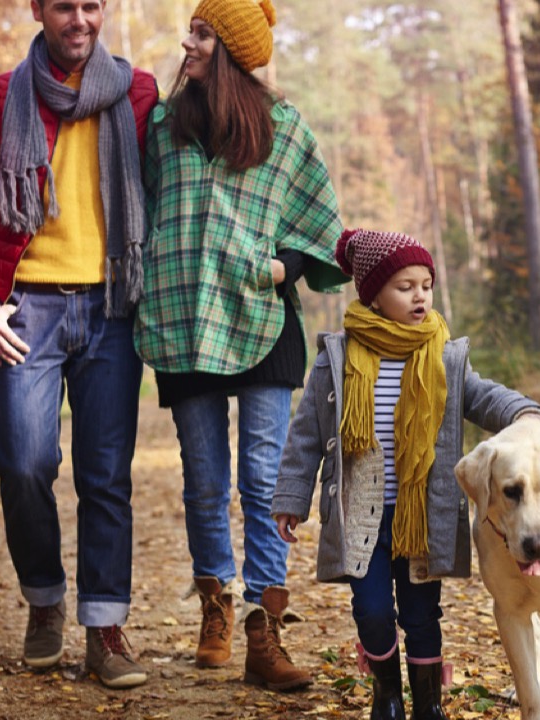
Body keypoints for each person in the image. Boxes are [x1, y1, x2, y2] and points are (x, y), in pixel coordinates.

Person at [132, 0, 349, 692]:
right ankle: (215, 606)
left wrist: (282, 265)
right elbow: (138, 208)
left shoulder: (282, 128)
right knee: (204, 481)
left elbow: (321, 222)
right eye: (192, 29)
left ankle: (264, 626)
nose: (186, 42)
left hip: (261, 322)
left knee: (262, 477)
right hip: (182, 318)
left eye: (200, 33)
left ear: (227, 50)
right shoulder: (163, 126)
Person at [0, 0, 158, 690]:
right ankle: (44, 599)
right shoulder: (2, 97)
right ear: (38, 9)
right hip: (25, 306)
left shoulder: (136, 95)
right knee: (24, 461)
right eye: (64, 5)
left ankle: (104, 627)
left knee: (106, 476)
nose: (79, 19)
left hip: (111, 304)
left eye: (91, 5)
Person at [271, 228, 540, 720]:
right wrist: (291, 496)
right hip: (360, 516)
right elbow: (306, 434)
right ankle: (387, 693)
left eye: (426, 283)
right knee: (374, 611)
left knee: (422, 614)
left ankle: (427, 704)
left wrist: (525, 413)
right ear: (374, 295)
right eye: (405, 286)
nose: (420, 295)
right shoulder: (337, 359)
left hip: (423, 514)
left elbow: (483, 396)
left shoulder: (442, 356)